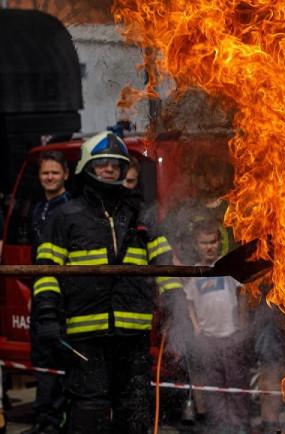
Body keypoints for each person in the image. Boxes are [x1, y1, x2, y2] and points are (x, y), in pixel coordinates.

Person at [32, 131, 189, 432]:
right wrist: (47, 317)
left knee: (134, 410)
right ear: (87, 167)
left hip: (133, 337)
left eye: (115, 164)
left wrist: (175, 309)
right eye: (102, 163)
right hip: (86, 337)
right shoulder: (65, 217)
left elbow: (165, 269)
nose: (109, 169)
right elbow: (47, 273)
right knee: (90, 412)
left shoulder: (142, 216)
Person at [183, 219, 250, 431]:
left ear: (219, 242)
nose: (209, 246)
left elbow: (242, 295)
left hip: (230, 335)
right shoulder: (193, 273)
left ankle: (239, 425)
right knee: (214, 385)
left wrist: (242, 322)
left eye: (212, 242)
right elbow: (189, 304)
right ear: (196, 245)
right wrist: (196, 328)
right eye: (204, 243)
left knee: (236, 383)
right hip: (208, 339)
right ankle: (221, 425)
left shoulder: (227, 266)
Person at [25, 151, 73, 434]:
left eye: (55, 172)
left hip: (60, 296)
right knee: (40, 358)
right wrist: (35, 294)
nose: (50, 177)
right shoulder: (38, 208)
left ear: (66, 174)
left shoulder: (69, 207)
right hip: (40, 291)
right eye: (45, 173)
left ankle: (56, 421)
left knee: (56, 357)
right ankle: (42, 419)